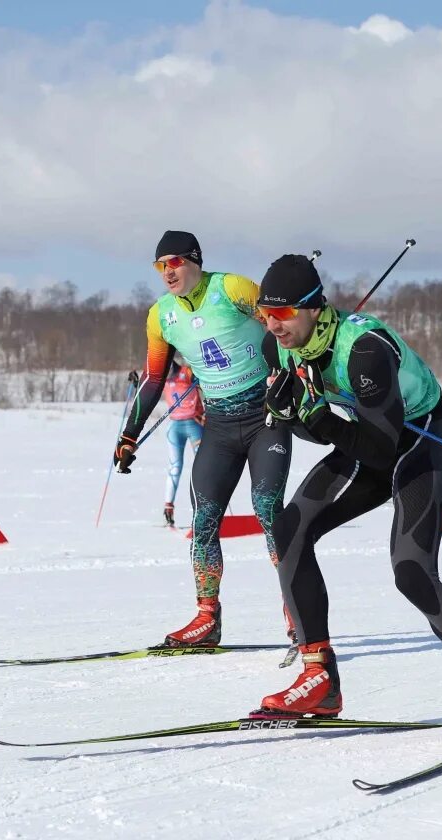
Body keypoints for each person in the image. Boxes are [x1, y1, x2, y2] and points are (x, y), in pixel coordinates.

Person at [251, 253, 442, 743]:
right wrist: (293, 416)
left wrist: (313, 419)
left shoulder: (365, 351)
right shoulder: (283, 348)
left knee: (412, 574)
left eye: (283, 313)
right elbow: (337, 435)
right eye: (263, 314)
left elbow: (381, 450)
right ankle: (320, 678)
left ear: (314, 307)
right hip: (365, 435)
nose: (272, 325)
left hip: (419, 438)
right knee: (290, 528)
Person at [115, 230, 293, 648]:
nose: (167, 272)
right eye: (160, 265)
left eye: (174, 262)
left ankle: (296, 612)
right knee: (204, 518)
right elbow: (155, 378)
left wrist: (287, 375)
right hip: (218, 426)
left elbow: (285, 327)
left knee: (268, 510)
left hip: (265, 416)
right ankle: (207, 618)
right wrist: (129, 434)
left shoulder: (231, 288)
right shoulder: (161, 316)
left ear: (194, 260)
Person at [161, 361, 204, 528]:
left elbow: (203, 382)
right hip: (175, 426)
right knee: (175, 467)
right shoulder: (161, 374)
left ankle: (204, 510)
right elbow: (147, 386)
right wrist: (136, 382)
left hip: (194, 424)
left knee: (202, 468)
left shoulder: (186, 371)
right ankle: (168, 508)